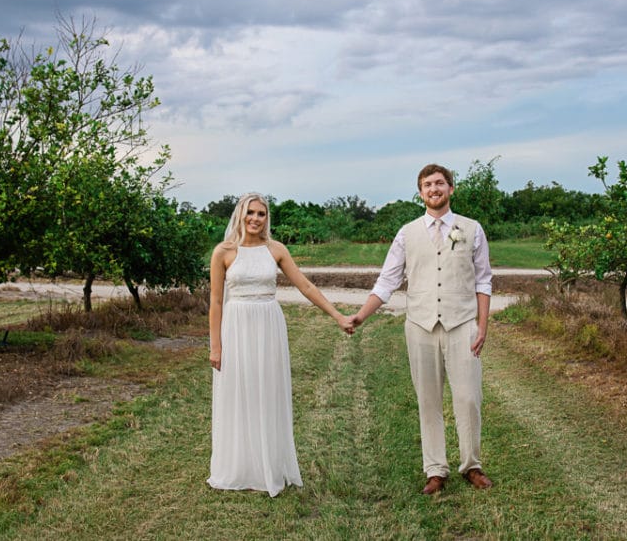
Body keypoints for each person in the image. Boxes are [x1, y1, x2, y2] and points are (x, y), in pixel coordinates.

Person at [350, 164, 494, 495]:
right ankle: (435, 469)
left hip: (462, 324)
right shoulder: (407, 233)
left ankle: (471, 465)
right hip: (420, 325)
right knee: (428, 399)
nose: (434, 189)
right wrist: (361, 315)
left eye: (440, 183)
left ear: (451, 189)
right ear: (420, 193)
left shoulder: (472, 229)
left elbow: (484, 279)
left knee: (469, 397)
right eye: (427, 184)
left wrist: (482, 326)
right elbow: (388, 280)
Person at [207, 192, 354, 497]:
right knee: (239, 393)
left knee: (266, 393)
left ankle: (268, 467)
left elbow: (306, 286)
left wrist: (338, 316)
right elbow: (216, 302)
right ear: (240, 214)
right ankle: (240, 468)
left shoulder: (276, 250)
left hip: (268, 325)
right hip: (235, 326)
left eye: (261, 214)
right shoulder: (223, 252)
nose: (255, 219)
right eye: (251, 212)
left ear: (267, 218)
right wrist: (216, 346)